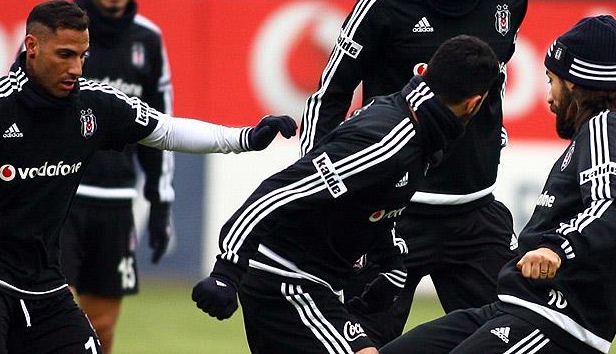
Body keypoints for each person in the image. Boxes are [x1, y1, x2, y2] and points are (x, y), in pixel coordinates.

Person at [0, 0, 297, 354]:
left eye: (82, 56)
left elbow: (166, 130)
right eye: (65, 55)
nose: (75, 68)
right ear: (32, 47)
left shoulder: (95, 104)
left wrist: (243, 138)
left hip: (42, 278)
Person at [299, 0, 529, 345]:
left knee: (515, 338)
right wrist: (320, 191)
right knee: (362, 345)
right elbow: (328, 96)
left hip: (475, 212)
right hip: (389, 215)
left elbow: (496, 77)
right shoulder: (385, 0)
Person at [193, 36, 501, 354]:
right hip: (286, 280)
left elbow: (376, 204)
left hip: (315, 282)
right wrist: (227, 271)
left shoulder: (418, 128)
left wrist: (391, 265)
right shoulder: (388, 143)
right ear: (474, 103)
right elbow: (279, 192)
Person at [381, 15, 616, 354]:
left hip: (554, 323)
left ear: (573, 83)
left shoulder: (606, 129)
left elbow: (608, 206)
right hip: (511, 309)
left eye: (551, 81)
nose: (549, 98)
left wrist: (557, 248)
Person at [59, 0, 171, 353]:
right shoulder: (56, 30)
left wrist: (160, 204)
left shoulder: (149, 40)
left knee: (101, 329)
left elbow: (160, 127)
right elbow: (15, 102)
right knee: (54, 322)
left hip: (116, 202)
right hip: (58, 198)